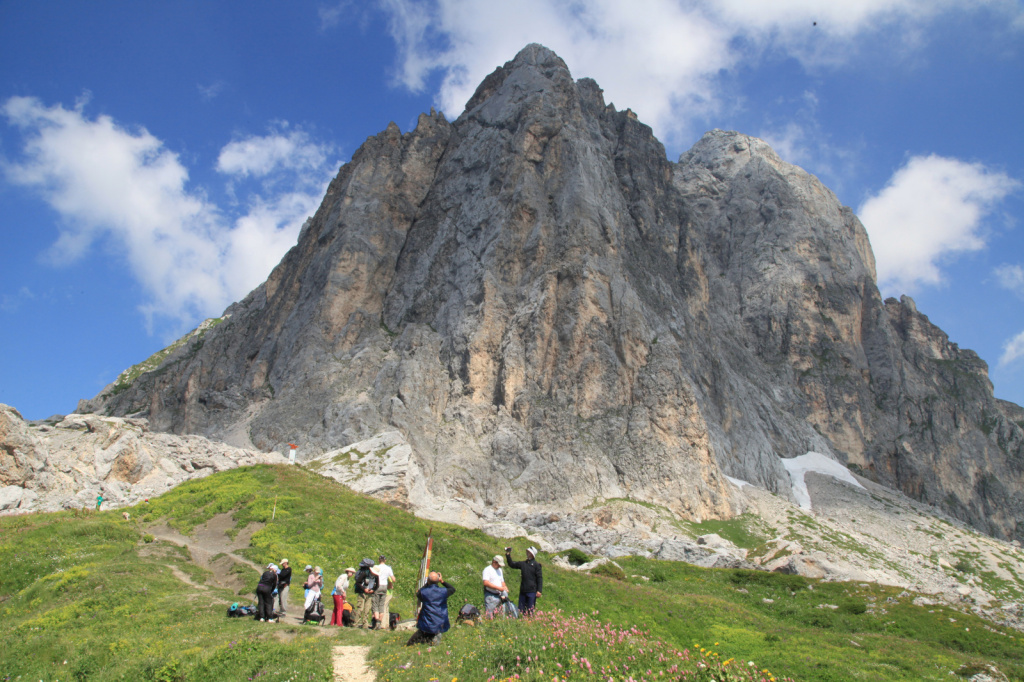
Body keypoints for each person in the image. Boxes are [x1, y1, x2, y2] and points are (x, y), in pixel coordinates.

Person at [407, 571, 455, 645]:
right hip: (440, 622)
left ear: (428, 580)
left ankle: (421, 641)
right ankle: (433, 641)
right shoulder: (443, 591)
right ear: (438, 580)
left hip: (426, 622)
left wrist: (427, 583)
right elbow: (452, 589)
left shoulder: (424, 592)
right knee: (435, 638)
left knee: (413, 641)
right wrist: (442, 581)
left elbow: (418, 592)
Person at [505, 546, 543, 615]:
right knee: (521, 610)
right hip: (523, 591)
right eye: (527, 551)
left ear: (532, 554)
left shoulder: (536, 565)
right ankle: (521, 619)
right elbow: (512, 564)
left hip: (532, 591)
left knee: (530, 610)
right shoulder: (523, 564)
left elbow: (539, 578)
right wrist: (508, 554)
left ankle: (529, 620)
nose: (527, 553)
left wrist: (539, 590)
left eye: (529, 552)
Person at [371, 555, 395, 630]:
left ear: (379, 560)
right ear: (385, 560)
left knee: (375, 604)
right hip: (385, 586)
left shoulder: (376, 567)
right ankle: (380, 621)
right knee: (381, 604)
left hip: (378, 585)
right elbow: (393, 579)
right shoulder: (388, 568)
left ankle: (377, 621)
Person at [354, 559, 377, 628]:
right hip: (362, 593)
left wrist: (373, 590)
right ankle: (356, 623)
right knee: (360, 608)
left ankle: (365, 624)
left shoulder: (376, 576)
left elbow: (377, 585)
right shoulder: (364, 573)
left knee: (367, 609)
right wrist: (364, 589)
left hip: (370, 594)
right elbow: (358, 583)